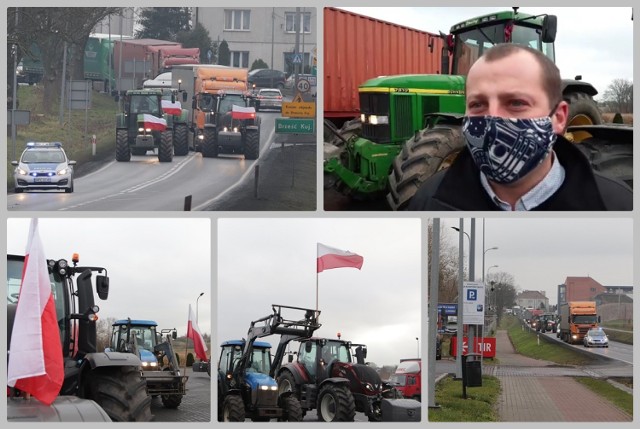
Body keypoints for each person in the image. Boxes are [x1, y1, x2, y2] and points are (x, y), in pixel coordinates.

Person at [409, 43, 632, 211]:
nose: (492, 119)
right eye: (478, 104)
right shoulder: (429, 199)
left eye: (516, 103)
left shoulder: (617, 204)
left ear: (559, 118)